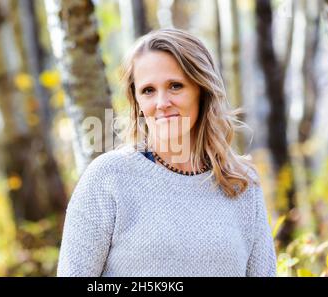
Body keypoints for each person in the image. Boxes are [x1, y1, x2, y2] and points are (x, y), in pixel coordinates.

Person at [57, 28, 277, 277]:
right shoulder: (108, 178)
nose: (162, 103)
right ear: (137, 100)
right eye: (148, 90)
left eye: (175, 86)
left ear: (201, 90)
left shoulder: (242, 183)